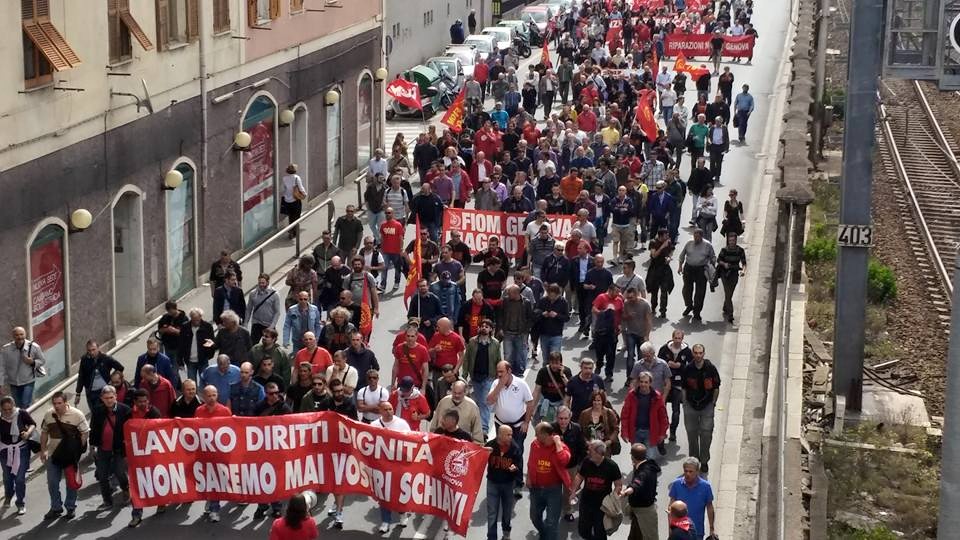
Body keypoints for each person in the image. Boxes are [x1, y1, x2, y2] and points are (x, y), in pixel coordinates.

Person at [40, 391, 89, 520]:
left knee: (71, 483)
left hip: (70, 456)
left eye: (59, 403)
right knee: (52, 483)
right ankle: (56, 507)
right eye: (54, 403)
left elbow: (85, 432)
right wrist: (43, 450)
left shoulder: (77, 415)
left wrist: (78, 450)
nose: (57, 406)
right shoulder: (48, 415)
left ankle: (70, 507)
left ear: (65, 402)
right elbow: (44, 432)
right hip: (53, 454)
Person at [488, 361, 534, 497]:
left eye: (502, 372)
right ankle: (501, 481)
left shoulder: (521, 384)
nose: (499, 374)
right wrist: (500, 386)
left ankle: (518, 483)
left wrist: (526, 422)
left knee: (517, 452)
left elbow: (530, 403)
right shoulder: (496, 383)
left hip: (518, 426)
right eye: (498, 372)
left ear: (509, 371)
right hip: (500, 425)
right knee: (501, 452)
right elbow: (489, 401)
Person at [569, 440, 624, 540]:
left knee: (600, 532)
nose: (587, 452)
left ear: (599, 453)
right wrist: (573, 491)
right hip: (586, 503)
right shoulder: (586, 462)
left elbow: (618, 484)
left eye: (590, 451)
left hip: (602, 506)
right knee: (583, 530)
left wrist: (613, 499)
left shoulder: (611, 466)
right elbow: (579, 477)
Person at [372, 401, 412, 533]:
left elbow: (410, 441)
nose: (389, 411)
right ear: (380, 412)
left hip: (399, 465)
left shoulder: (402, 424)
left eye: (391, 409)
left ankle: (402, 514)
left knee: (400, 491)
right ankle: (385, 521)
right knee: (383, 493)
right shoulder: (374, 425)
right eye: (386, 409)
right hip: (382, 466)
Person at [527, 422, 572, 540]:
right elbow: (531, 462)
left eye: (537, 434)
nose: (535, 436)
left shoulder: (560, 447)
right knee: (535, 517)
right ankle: (544, 533)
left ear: (545, 435)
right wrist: (528, 478)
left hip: (553, 490)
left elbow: (564, 461)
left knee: (552, 522)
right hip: (536, 488)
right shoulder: (534, 444)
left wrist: (557, 443)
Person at [682, 345, 721, 473]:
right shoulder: (688, 369)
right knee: (692, 434)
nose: (698, 355)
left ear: (703, 354)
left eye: (700, 353)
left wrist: (713, 403)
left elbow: (716, 387)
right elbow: (684, 387)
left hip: (707, 406)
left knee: (706, 434)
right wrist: (685, 404)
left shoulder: (710, 369)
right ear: (692, 354)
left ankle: (704, 461)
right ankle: (694, 461)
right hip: (691, 406)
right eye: (696, 353)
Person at [195, 385, 231, 522]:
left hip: (220, 454)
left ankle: (215, 508)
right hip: (204, 454)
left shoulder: (224, 411)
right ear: (204, 397)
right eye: (209, 396)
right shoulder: (198, 411)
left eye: (214, 395)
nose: (212, 398)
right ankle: (211, 500)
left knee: (217, 480)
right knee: (207, 480)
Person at [462, 319, 500, 434]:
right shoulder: (472, 342)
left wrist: (499, 376)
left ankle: (484, 429)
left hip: (488, 377)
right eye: (482, 326)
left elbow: (499, 360)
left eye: (487, 326)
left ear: (491, 330)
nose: (484, 328)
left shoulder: (495, 343)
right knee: (477, 402)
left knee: (484, 402)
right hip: (475, 377)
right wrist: (464, 375)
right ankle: (476, 426)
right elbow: (467, 359)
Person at [620, 371, 669, 462]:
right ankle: (637, 474)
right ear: (638, 382)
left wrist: (662, 433)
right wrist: (624, 433)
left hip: (650, 432)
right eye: (641, 382)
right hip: (635, 432)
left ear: (650, 383)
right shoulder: (631, 395)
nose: (643, 384)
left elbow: (663, 417)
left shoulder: (657, 397)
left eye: (646, 382)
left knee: (649, 459)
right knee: (636, 459)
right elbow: (625, 415)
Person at [486, 424, 523, 540]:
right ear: (500, 435)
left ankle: (506, 533)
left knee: (507, 512)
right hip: (492, 483)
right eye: (508, 435)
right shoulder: (490, 446)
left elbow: (518, 465)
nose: (511, 437)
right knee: (492, 513)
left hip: (508, 484)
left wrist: (514, 468)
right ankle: (491, 537)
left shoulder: (514, 448)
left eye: (511, 434)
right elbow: (479, 458)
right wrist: (485, 453)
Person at [0, 395, 35, 515]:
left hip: (22, 450)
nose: (8, 412)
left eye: (10, 409)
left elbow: (32, 424)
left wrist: (28, 432)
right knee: (7, 477)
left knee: (20, 479)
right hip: (5, 451)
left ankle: (20, 503)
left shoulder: (21, 413)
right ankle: (9, 495)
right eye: (5, 410)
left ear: (14, 406)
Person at [619, 443, 661, 540]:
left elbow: (637, 484)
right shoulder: (648, 466)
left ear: (632, 457)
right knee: (635, 536)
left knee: (650, 537)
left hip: (644, 512)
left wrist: (625, 492)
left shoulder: (644, 471)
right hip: (639, 511)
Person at [669, 457, 716, 540]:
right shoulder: (676, 484)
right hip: (679, 532)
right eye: (685, 471)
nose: (688, 474)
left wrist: (711, 528)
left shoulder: (705, 487)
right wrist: (670, 529)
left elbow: (709, 507)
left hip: (697, 532)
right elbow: (670, 509)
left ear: (697, 471)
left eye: (691, 471)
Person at [678, 228, 716, 322]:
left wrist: (711, 269)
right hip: (689, 269)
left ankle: (697, 312)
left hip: (701, 270)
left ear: (701, 237)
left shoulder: (707, 245)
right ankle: (689, 305)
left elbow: (713, 258)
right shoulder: (689, 243)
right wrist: (680, 266)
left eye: (697, 237)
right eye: (694, 236)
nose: (695, 239)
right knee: (686, 290)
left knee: (700, 292)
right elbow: (682, 255)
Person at [1, 326, 46, 407]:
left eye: (21, 334)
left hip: (28, 381)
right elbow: (2, 367)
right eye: (17, 335)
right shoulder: (6, 349)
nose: (19, 337)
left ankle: (25, 418)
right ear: (13, 336)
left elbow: (42, 360)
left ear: (25, 334)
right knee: (18, 405)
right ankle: (24, 418)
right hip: (13, 382)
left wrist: (32, 362)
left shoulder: (34, 347)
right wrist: (1, 384)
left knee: (25, 403)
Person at [75, 340, 124, 411]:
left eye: (93, 350)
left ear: (98, 348)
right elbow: (81, 376)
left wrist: (112, 379)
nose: (91, 352)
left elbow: (120, 368)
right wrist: (78, 393)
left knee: (107, 409)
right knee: (94, 411)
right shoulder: (84, 359)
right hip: (91, 391)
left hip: (104, 390)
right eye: (89, 350)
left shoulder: (106, 358)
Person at [499, 284, 535, 374]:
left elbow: (530, 317)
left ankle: (519, 370)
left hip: (520, 333)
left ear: (516, 293)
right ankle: (507, 371)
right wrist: (500, 328)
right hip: (508, 332)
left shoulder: (526, 302)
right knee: (508, 354)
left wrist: (526, 330)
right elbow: (500, 315)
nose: (508, 295)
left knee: (520, 353)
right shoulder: (505, 301)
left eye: (510, 293)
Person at [591, 283, 624, 382]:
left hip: (613, 332)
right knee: (599, 351)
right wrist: (603, 313)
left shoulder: (619, 300)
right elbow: (594, 309)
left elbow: (622, 313)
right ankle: (599, 364)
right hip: (601, 330)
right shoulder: (601, 297)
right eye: (616, 291)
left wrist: (621, 325)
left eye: (619, 292)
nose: (618, 294)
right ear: (610, 290)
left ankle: (609, 373)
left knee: (611, 354)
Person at [531, 352, 572, 425]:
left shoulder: (566, 371)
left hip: (560, 402)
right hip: (546, 402)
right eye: (552, 363)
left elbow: (570, 388)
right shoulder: (543, 372)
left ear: (561, 363)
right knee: (538, 422)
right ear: (549, 362)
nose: (554, 366)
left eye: (557, 363)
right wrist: (532, 408)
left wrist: (563, 376)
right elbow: (537, 390)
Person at [715, 232, 748, 323]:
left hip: (734, 273)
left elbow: (744, 263)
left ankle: (726, 306)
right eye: (730, 241)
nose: (731, 242)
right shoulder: (724, 250)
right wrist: (724, 264)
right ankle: (730, 314)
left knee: (730, 292)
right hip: (724, 274)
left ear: (736, 241)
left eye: (733, 240)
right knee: (728, 292)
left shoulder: (740, 250)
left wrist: (743, 271)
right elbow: (719, 260)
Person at [178, 307, 216, 382]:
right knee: (191, 383)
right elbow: (181, 344)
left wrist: (209, 355)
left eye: (197, 319)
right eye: (194, 319)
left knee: (204, 381)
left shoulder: (207, 327)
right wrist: (180, 361)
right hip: (190, 361)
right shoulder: (185, 327)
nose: (196, 322)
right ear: (191, 318)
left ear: (201, 317)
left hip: (203, 360)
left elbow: (212, 342)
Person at [621, 287, 652, 377]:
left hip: (642, 334)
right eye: (628, 298)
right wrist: (628, 316)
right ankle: (629, 377)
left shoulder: (645, 304)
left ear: (637, 295)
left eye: (631, 298)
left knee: (641, 357)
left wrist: (647, 335)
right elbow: (623, 317)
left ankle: (640, 377)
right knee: (630, 356)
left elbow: (649, 321)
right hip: (631, 333)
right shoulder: (626, 303)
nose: (629, 300)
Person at [578, 389, 619, 456]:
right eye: (594, 400)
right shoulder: (584, 414)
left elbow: (616, 429)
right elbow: (580, 430)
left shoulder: (609, 412)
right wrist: (586, 442)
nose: (596, 403)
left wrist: (610, 441)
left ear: (603, 401)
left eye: (599, 400)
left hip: (605, 449)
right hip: (590, 449)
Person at [646, 228, 675, 318]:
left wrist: (669, 258)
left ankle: (663, 310)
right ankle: (653, 306)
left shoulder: (668, 243)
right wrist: (662, 246)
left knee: (664, 291)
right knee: (654, 291)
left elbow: (671, 251)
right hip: (655, 269)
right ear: (661, 236)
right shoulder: (653, 243)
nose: (667, 237)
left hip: (665, 269)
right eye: (665, 235)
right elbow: (654, 255)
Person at [247, 273, 282, 344]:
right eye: (259, 283)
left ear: (268, 282)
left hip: (269, 325)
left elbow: (277, 312)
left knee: (269, 346)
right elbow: (248, 309)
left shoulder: (275, 294)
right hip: (256, 323)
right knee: (252, 346)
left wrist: (272, 326)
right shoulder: (253, 294)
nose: (261, 285)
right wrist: (245, 323)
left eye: (263, 283)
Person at [280, 164, 306, 239]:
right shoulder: (296, 178)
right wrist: (304, 194)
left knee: (291, 216)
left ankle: (291, 230)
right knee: (297, 216)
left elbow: (282, 189)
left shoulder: (284, 178)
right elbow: (301, 188)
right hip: (295, 199)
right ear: (295, 170)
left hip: (287, 200)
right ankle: (294, 231)